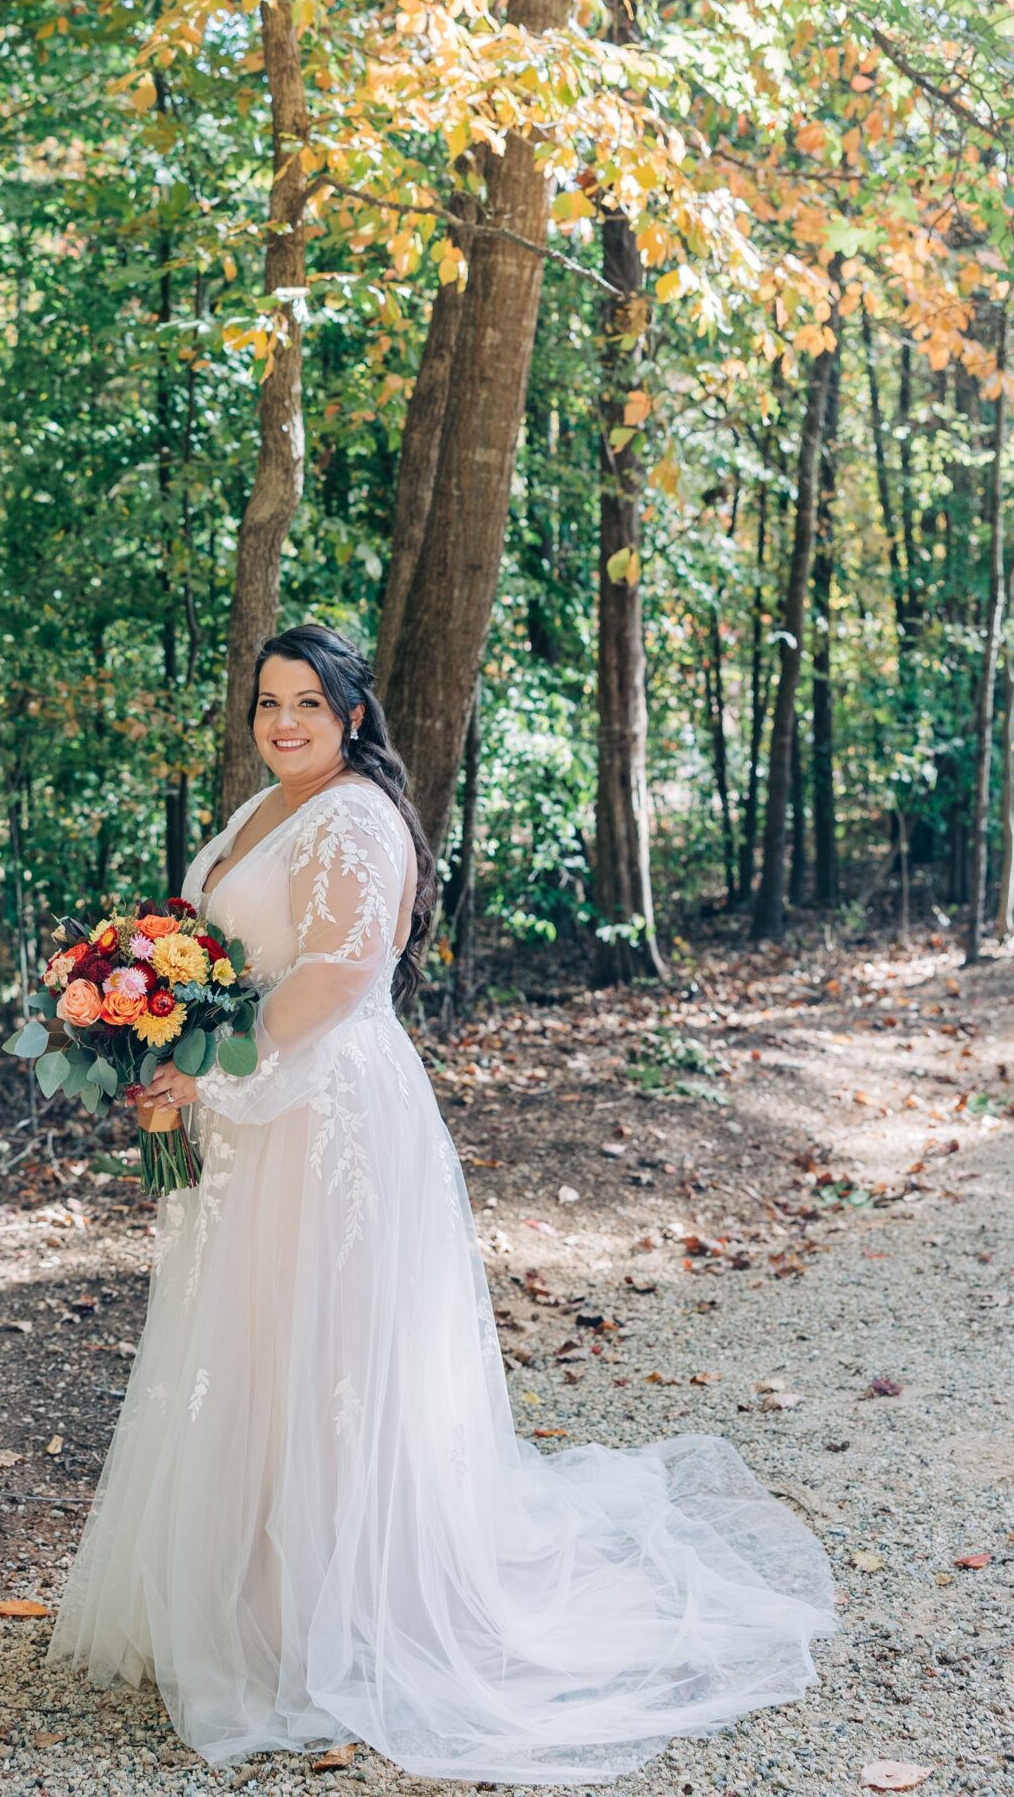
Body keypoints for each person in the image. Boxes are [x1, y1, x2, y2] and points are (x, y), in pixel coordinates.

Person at [46, 623, 834, 1782]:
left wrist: (211, 1058)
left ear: (353, 714)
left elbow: (340, 973)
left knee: (327, 1357)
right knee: (252, 1343)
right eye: (270, 701)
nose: (285, 721)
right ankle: (242, 1595)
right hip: (249, 1111)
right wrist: (153, 1014)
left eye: (309, 702)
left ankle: (324, 1616)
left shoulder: (356, 817)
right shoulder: (259, 811)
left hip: (325, 1116)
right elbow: (211, 942)